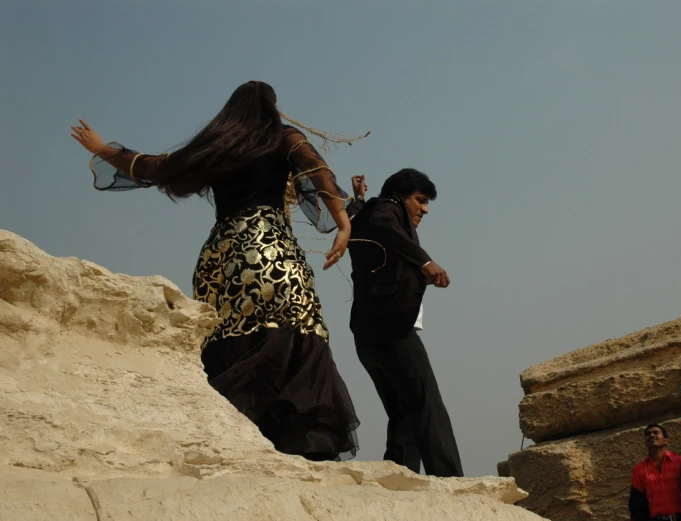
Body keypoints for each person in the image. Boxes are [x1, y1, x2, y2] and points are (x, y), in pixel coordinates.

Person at [70, 81, 363, 461]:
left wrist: (101, 149)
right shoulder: (283, 136)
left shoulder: (219, 144)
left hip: (221, 261)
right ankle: (302, 444)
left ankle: (239, 434)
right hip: (270, 252)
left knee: (229, 337)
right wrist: (343, 220)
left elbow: (156, 167)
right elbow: (315, 167)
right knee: (299, 329)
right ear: (271, 107)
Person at [346, 169, 463, 477]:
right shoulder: (388, 209)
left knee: (404, 413)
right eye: (420, 200)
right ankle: (451, 481)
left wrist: (358, 199)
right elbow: (382, 222)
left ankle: (400, 478)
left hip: (368, 335)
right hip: (394, 332)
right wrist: (425, 262)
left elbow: (359, 220)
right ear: (400, 195)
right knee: (428, 405)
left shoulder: (371, 213)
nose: (424, 209)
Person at [629, 423, 681, 521]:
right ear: (645, 443)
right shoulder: (639, 470)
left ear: (666, 440)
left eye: (656, 432)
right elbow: (637, 503)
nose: (651, 435)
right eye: (648, 434)